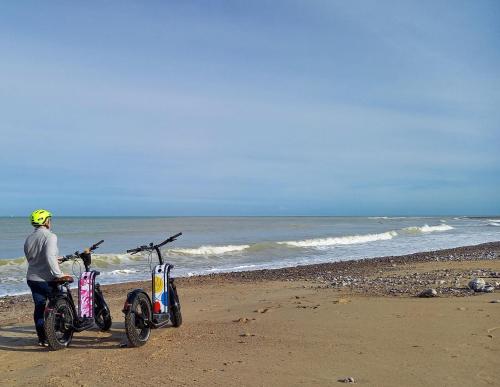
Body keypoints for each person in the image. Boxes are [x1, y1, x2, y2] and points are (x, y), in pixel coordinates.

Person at [24, 209, 69, 346]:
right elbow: (49, 256)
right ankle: (59, 332)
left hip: (32, 278)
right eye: (49, 219)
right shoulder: (50, 236)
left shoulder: (29, 238)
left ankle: (42, 338)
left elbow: (32, 258)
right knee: (60, 303)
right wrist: (59, 274)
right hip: (47, 279)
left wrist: (56, 259)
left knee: (39, 307)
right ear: (45, 221)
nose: (50, 221)